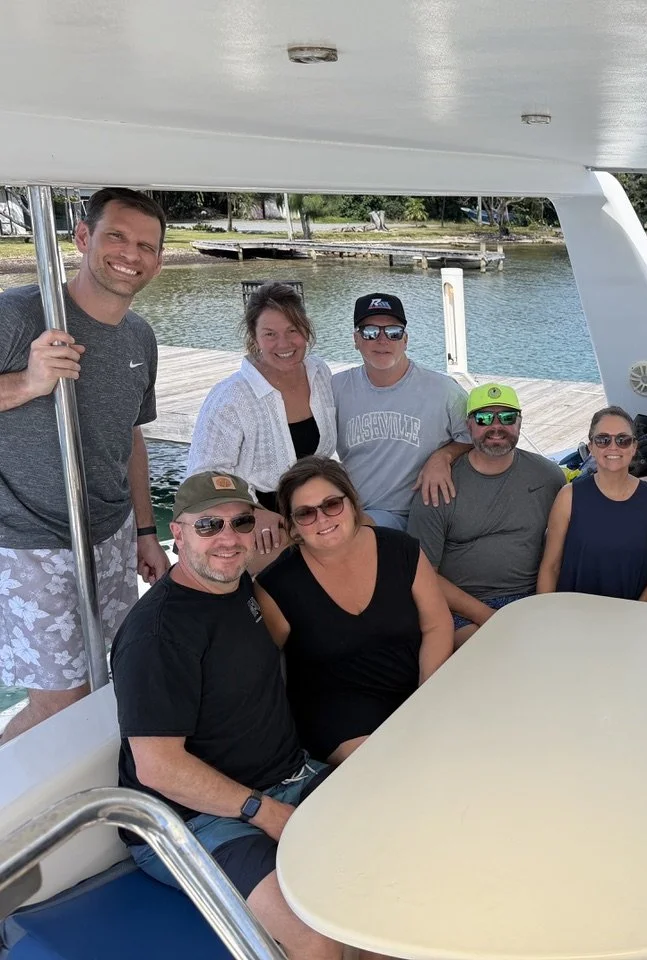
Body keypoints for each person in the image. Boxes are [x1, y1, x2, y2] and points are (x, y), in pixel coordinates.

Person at [111, 471, 343, 960]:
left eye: (240, 523)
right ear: (177, 532)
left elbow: (267, 644)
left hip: (288, 775)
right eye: (209, 525)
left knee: (396, 865)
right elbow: (157, 767)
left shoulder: (234, 584)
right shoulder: (157, 636)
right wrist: (265, 810)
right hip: (195, 820)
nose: (228, 538)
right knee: (317, 935)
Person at [0, 187, 170, 742]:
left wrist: (147, 531)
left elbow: (132, 440)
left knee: (116, 678)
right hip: (29, 542)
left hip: (112, 536)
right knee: (59, 702)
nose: (131, 254)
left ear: (158, 260)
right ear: (81, 238)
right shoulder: (22, 314)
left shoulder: (141, 335)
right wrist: (28, 383)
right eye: (116, 236)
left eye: (146, 245)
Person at [255, 457, 454, 764]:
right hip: (339, 714)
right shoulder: (277, 587)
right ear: (292, 525)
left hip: (416, 687)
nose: (322, 519)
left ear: (352, 502)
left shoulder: (400, 549)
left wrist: (428, 693)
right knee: (395, 768)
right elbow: (262, 670)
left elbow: (437, 625)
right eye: (305, 513)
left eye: (332, 504)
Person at [187, 281, 336, 572]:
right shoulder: (231, 397)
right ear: (254, 338)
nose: (284, 344)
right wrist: (253, 511)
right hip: (257, 517)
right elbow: (203, 477)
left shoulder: (319, 373)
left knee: (369, 539)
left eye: (293, 330)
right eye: (270, 334)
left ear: (306, 329)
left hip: (311, 508)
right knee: (298, 579)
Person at [408, 383, 565, 647]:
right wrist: (487, 615)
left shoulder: (548, 476)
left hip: (529, 598)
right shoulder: (438, 485)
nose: (496, 426)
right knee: (492, 651)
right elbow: (423, 573)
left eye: (506, 417)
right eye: (483, 418)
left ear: (519, 423)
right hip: (460, 609)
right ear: (469, 425)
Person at [332, 292, 473, 530]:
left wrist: (444, 456)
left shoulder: (444, 390)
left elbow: (476, 435)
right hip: (351, 509)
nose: (382, 340)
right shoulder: (335, 388)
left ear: (405, 340)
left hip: (413, 514)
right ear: (356, 339)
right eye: (370, 332)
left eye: (393, 332)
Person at [537, 406, 647, 601]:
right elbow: (550, 567)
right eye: (603, 440)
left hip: (633, 617)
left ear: (634, 447)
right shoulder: (569, 496)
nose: (613, 446)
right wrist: (546, 613)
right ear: (591, 447)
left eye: (623, 440)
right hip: (574, 615)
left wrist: (634, 613)